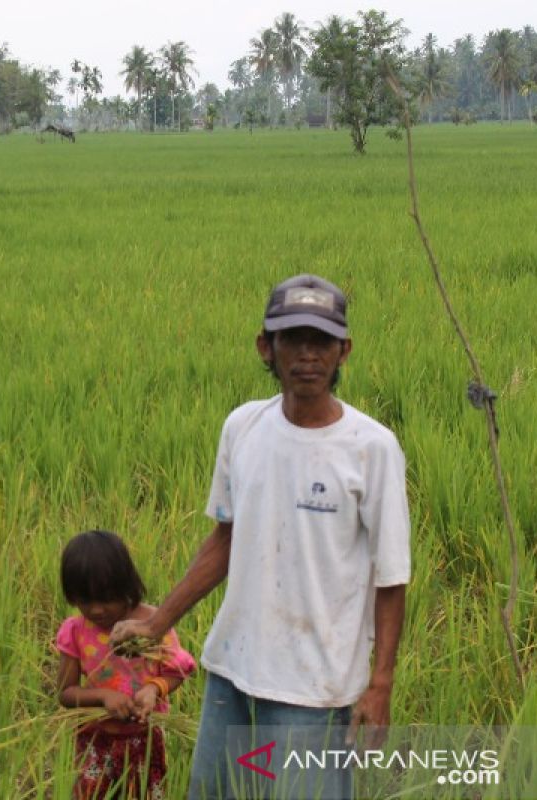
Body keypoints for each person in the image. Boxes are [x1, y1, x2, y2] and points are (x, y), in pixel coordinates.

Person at [111, 274, 411, 800]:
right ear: (265, 348)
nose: (306, 356)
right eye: (291, 339)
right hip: (232, 669)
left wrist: (380, 683)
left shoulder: (372, 448)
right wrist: (159, 622)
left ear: (344, 351)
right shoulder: (243, 427)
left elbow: (392, 579)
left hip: (314, 688)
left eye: (320, 342)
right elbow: (225, 540)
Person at [56, 529, 198, 799]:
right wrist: (103, 696)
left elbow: (178, 670)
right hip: (95, 738)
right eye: (85, 601)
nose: (97, 610)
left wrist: (153, 689)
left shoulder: (152, 624)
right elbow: (66, 693)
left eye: (107, 598)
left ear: (126, 586)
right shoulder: (75, 631)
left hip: (145, 738)